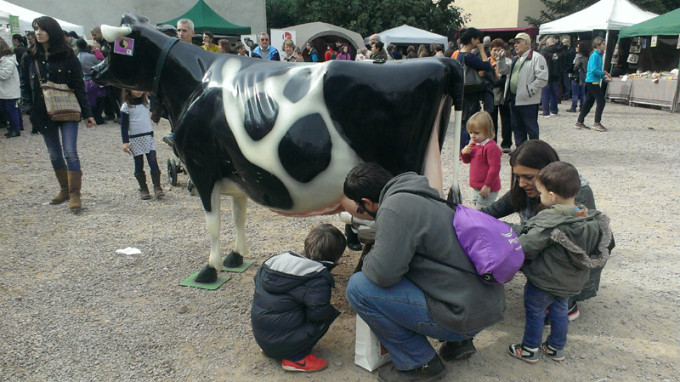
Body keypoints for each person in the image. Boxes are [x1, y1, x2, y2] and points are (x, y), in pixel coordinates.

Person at [344, 162, 505, 382]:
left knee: (358, 287)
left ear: (366, 202)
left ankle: (420, 363)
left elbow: (382, 275)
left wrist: (377, 247)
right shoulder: (423, 194)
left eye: (361, 209)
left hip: (461, 316)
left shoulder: (393, 208)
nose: (363, 213)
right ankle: (459, 343)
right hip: (486, 307)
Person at [481, 140, 605, 319]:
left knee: (516, 241)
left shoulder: (576, 193)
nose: (522, 183)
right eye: (518, 177)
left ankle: (565, 302)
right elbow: (489, 213)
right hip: (552, 262)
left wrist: (499, 230)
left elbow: (572, 243)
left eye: (529, 177)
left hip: (570, 268)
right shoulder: (525, 190)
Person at [508, 162, 612, 363]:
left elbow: (526, 247)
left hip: (544, 281)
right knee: (560, 312)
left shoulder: (550, 221)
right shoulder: (585, 216)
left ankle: (529, 348)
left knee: (536, 312)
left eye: (541, 192)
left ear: (552, 196)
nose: (540, 196)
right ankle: (556, 348)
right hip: (569, 282)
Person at [21, 16, 96, 212]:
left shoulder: (68, 55)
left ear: (52, 32)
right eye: (35, 29)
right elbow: (24, 86)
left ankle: (74, 194)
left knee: (70, 151)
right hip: (42, 112)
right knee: (54, 154)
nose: (38, 33)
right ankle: (64, 189)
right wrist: (28, 109)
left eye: (42, 29)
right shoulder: (29, 57)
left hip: (68, 111)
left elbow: (79, 85)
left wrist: (88, 113)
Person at [251, 224, 345, 372]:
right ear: (336, 255)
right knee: (325, 316)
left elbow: (257, 281)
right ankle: (295, 358)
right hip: (281, 343)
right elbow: (318, 314)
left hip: (262, 338)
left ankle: (273, 348)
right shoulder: (317, 278)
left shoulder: (273, 262)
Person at [498, 33, 548, 146]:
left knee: (531, 127)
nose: (515, 45)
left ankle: (534, 150)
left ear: (527, 44)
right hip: (515, 98)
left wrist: (529, 90)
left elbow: (542, 78)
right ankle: (521, 150)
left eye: (518, 42)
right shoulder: (516, 59)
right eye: (514, 43)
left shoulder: (536, 58)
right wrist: (500, 59)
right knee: (517, 127)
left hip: (528, 100)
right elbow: (503, 71)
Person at [452, 28, 493, 149]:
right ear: (473, 39)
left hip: (463, 91)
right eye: (478, 39)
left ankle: (463, 146)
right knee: (468, 121)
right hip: (470, 91)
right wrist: (482, 50)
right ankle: (465, 147)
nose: (479, 42)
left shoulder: (459, 54)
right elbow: (487, 66)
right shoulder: (468, 56)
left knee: (464, 119)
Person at [120, 89, 163, 200]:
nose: (138, 91)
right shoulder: (126, 107)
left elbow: (157, 106)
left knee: (153, 161)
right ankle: (143, 188)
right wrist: (125, 142)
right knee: (139, 163)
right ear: (128, 90)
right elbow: (124, 127)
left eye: (141, 89)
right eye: (135, 89)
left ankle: (157, 187)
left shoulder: (147, 103)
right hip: (135, 139)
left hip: (148, 136)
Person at [460, 111, 502, 209]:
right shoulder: (474, 145)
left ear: (487, 131)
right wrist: (464, 153)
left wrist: (488, 185)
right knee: (477, 207)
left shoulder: (491, 147)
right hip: (477, 186)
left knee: (482, 211)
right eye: (470, 132)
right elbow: (467, 161)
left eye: (476, 133)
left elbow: (494, 168)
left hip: (488, 187)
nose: (472, 136)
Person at [575, 37, 611, 132]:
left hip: (593, 80)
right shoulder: (595, 55)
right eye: (603, 44)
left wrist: (604, 77)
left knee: (589, 102)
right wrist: (604, 73)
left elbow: (596, 70)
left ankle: (580, 121)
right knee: (601, 101)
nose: (605, 45)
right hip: (592, 81)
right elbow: (593, 70)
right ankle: (597, 123)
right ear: (597, 45)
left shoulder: (599, 55)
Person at [489, 38, 513, 152]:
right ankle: (492, 142)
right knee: (491, 120)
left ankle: (506, 143)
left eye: (499, 50)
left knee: (506, 119)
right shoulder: (487, 62)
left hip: (503, 94)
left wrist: (496, 83)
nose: (497, 52)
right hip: (491, 94)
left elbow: (507, 77)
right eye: (494, 50)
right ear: (490, 50)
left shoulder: (508, 62)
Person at [76, 38, 105, 126]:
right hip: (95, 79)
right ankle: (98, 117)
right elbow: (102, 62)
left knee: (91, 100)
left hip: (86, 80)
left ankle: (95, 117)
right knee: (100, 99)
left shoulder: (77, 57)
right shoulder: (90, 56)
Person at [0, 37, 22, 138]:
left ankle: (15, 130)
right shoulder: (5, 60)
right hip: (5, 91)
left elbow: (4, 75)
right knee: (8, 111)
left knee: (12, 111)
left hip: (10, 92)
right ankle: (13, 128)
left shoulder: (7, 61)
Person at [539, 36, 563, 117]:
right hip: (556, 74)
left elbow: (540, 63)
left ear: (547, 43)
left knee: (545, 93)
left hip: (546, 73)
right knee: (554, 93)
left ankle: (546, 112)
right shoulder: (560, 51)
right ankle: (554, 110)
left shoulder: (544, 51)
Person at [568, 41, 589, 113]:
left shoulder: (578, 56)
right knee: (582, 93)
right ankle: (583, 107)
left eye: (578, 46)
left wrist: (572, 68)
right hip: (584, 76)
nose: (576, 48)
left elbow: (575, 66)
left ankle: (573, 107)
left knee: (575, 93)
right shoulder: (586, 57)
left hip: (577, 76)